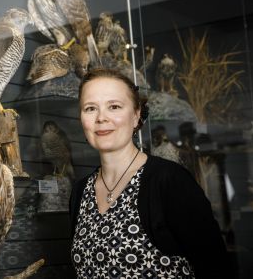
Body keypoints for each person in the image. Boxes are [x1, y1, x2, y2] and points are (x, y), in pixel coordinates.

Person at [70, 68, 231, 278]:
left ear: (137, 115)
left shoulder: (170, 182)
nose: (101, 118)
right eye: (90, 108)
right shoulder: (80, 192)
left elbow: (216, 268)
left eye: (114, 106)